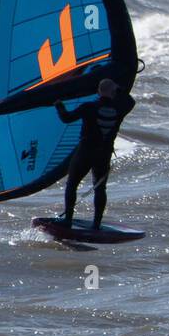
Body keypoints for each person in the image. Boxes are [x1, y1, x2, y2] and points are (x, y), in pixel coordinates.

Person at [55, 78, 135, 229]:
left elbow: (67, 118)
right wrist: (119, 89)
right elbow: (131, 101)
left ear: (99, 91)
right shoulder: (120, 109)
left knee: (72, 185)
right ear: (114, 92)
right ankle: (96, 225)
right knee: (100, 188)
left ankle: (68, 221)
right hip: (104, 154)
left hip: (85, 151)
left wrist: (59, 106)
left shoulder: (89, 107)